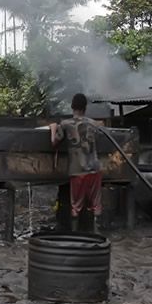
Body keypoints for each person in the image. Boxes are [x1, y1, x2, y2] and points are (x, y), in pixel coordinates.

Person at [50, 93, 103, 233]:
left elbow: (54, 142)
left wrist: (53, 128)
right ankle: (96, 234)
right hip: (95, 169)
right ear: (85, 108)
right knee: (95, 204)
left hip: (78, 170)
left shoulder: (66, 124)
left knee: (76, 206)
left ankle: (75, 234)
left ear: (72, 106)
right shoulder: (94, 124)